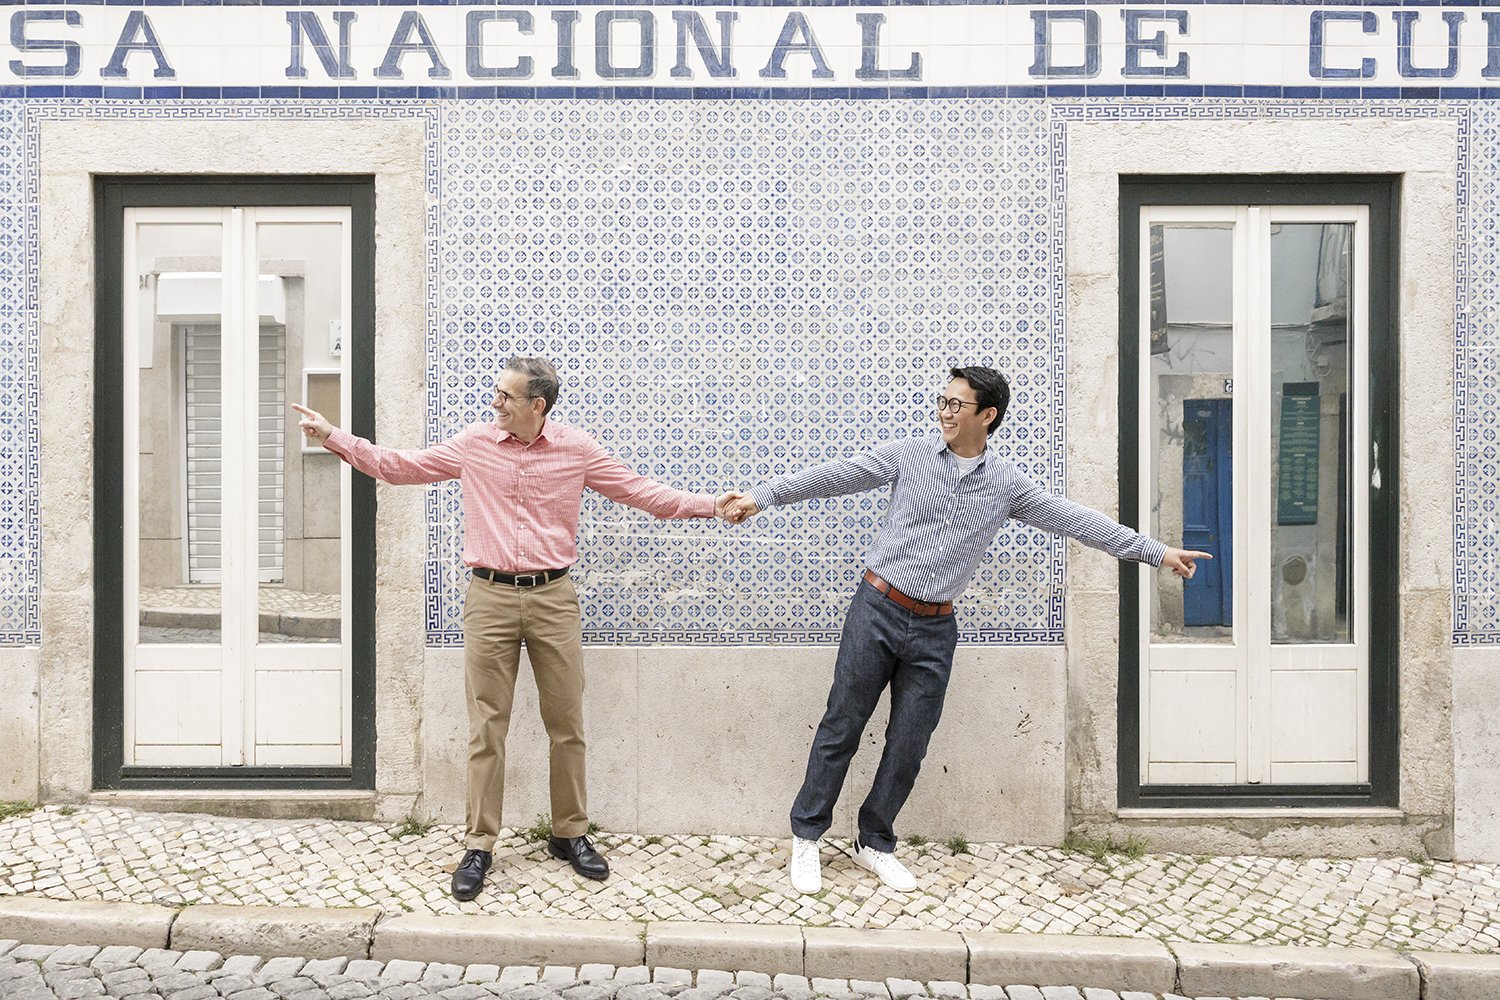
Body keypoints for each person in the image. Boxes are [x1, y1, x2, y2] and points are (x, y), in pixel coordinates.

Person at [723, 366, 1209, 894]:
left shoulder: (1006, 485)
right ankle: (808, 836)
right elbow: (836, 475)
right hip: (877, 609)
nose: (946, 412)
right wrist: (763, 495)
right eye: (943, 402)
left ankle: (874, 841)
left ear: (987, 415)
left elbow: (1077, 521)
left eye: (958, 404)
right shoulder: (909, 455)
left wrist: (1157, 552)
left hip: (935, 628)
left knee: (910, 741)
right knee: (842, 725)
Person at [293, 357, 743, 901]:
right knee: (488, 728)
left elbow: (642, 492)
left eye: (505, 396)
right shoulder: (475, 444)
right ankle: (480, 844)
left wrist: (710, 506)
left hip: (554, 597)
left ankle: (569, 833)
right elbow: (400, 466)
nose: (494, 403)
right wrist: (335, 436)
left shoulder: (577, 449)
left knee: (567, 723)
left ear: (538, 406)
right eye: (496, 393)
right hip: (489, 598)